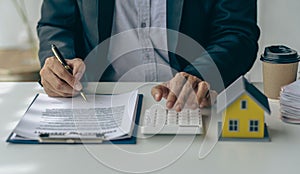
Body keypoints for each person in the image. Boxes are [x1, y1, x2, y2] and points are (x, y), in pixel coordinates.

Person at [37, 0, 260, 112]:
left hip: (193, 106)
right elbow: (56, 24)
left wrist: (198, 75)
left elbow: (237, 33)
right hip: (99, 101)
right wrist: (59, 64)